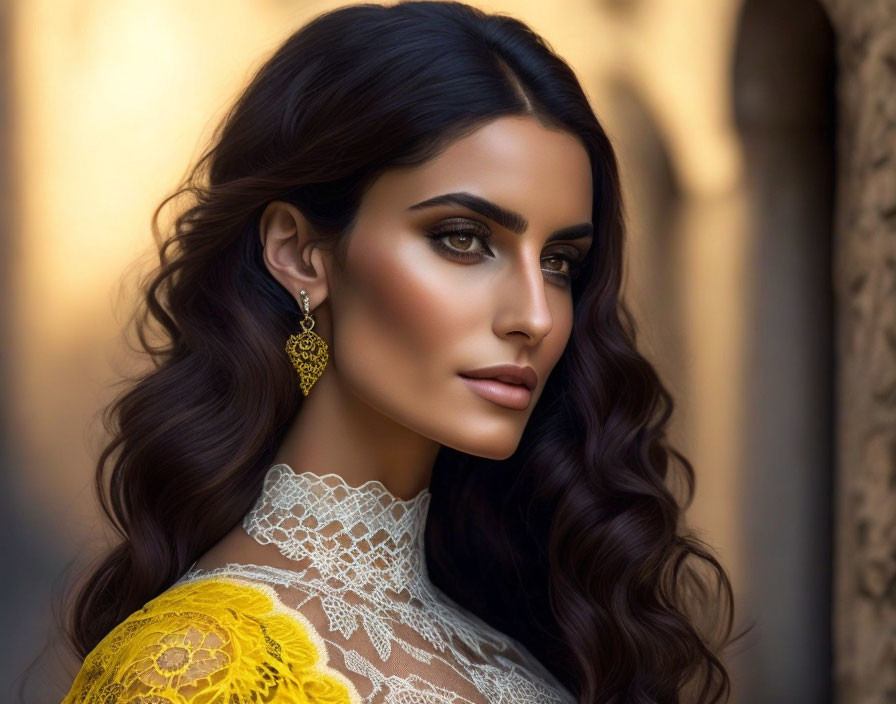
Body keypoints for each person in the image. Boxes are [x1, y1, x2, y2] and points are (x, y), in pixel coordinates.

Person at [59, 1, 735, 702]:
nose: (536, 315)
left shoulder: (523, 650)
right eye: (463, 238)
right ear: (300, 253)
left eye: (560, 261)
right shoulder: (189, 669)